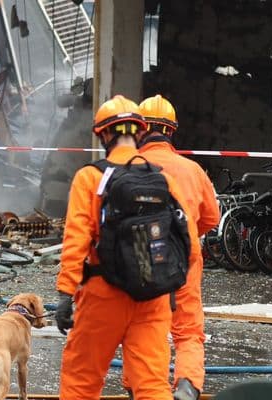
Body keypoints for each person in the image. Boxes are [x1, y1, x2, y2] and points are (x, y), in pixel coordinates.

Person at [55, 95, 198, 400]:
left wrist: (66, 294)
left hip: (103, 294)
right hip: (154, 297)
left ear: (104, 134)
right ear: (139, 133)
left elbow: (76, 241)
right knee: (152, 385)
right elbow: (189, 245)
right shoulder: (163, 180)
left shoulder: (90, 178)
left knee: (81, 381)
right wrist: (171, 288)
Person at [120, 94, 220, 400]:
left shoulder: (127, 167)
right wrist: (186, 235)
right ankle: (187, 386)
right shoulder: (193, 170)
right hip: (184, 259)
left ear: (139, 129)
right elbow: (211, 219)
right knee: (188, 330)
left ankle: (140, 387)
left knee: (140, 327)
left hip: (140, 258)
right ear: (171, 131)